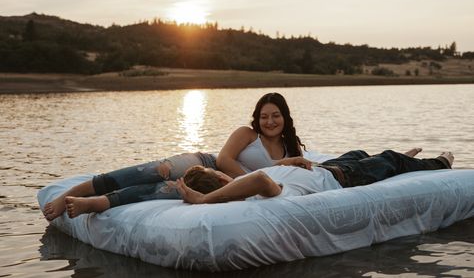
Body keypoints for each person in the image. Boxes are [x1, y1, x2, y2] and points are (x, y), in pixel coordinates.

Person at [43, 92, 309, 220]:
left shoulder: (291, 150)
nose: (270, 121)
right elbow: (225, 160)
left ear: (285, 117)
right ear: (257, 118)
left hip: (216, 184)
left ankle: (96, 202)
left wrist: (233, 183)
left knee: (165, 190)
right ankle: (78, 189)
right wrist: (246, 178)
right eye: (264, 116)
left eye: (275, 116)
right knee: (154, 171)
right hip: (205, 163)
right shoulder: (247, 134)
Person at [176, 149, 454, 204]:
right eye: (217, 172)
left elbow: (270, 173)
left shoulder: (237, 186)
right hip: (342, 177)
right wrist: (204, 200)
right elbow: (261, 179)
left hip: (326, 167)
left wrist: (285, 162)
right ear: (221, 180)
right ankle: (440, 162)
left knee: (359, 152)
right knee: (391, 158)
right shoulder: (248, 192)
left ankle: (396, 161)